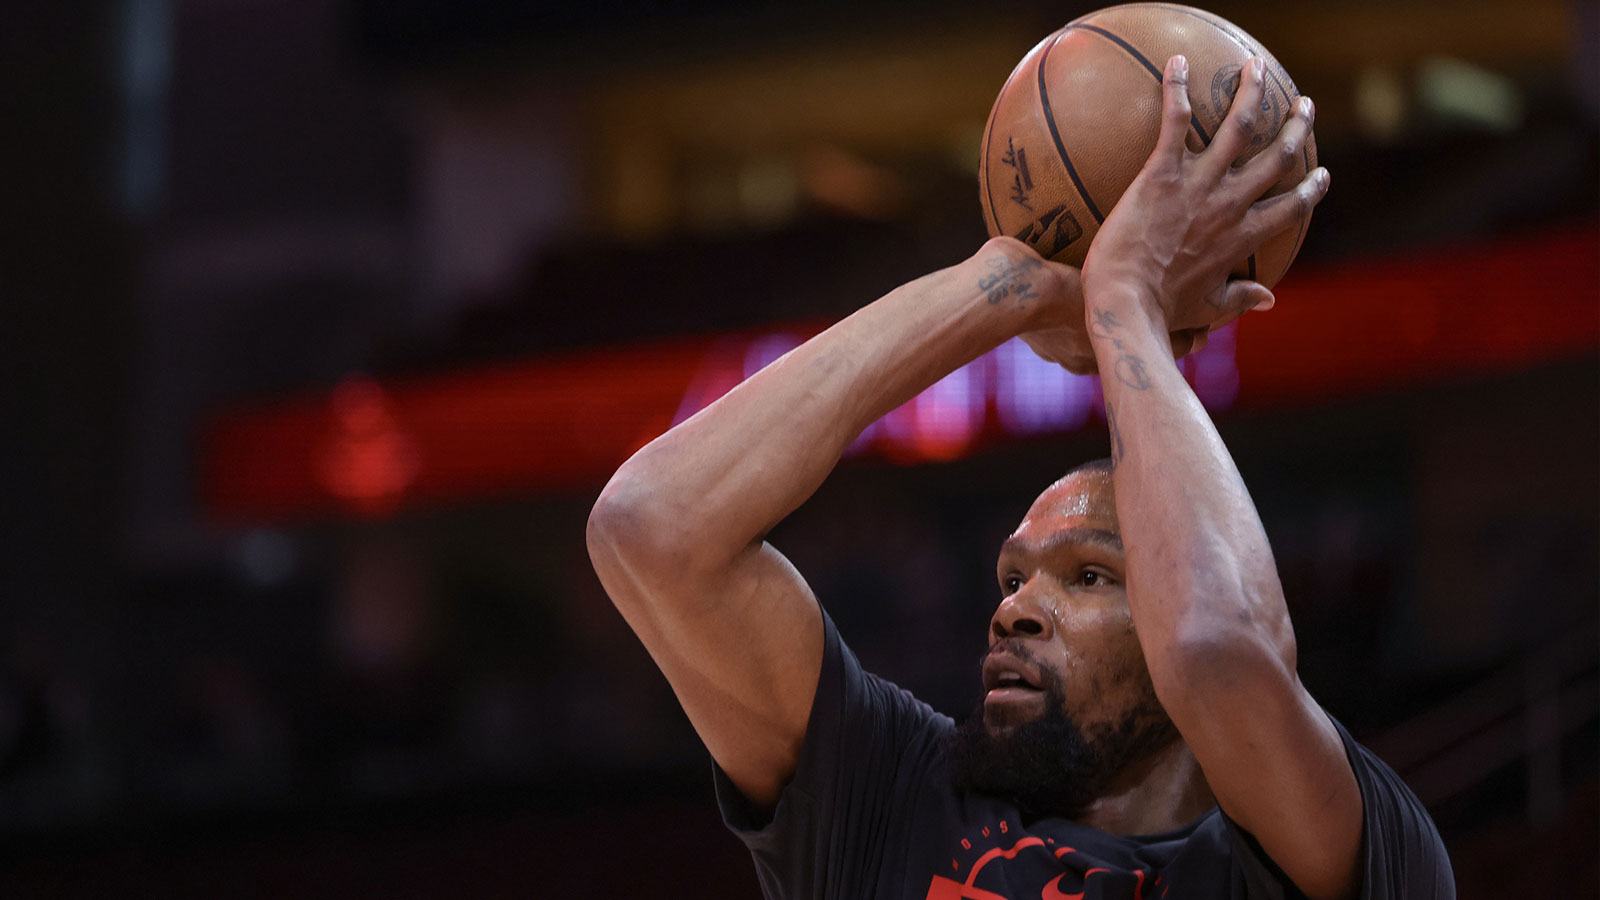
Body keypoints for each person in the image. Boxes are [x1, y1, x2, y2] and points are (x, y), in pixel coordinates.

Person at [586, 55, 1454, 900]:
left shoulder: (1335, 854)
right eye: (1012, 576)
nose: (1014, 608)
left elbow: (1219, 652)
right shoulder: (890, 795)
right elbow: (650, 522)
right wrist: (1008, 282)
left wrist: (1127, 304)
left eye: (1088, 575)